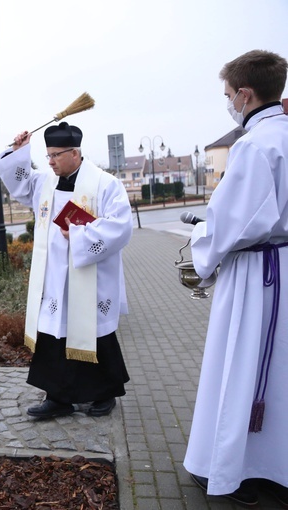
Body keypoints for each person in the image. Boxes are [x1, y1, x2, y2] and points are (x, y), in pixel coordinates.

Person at [183, 49, 288, 507]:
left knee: (237, 366)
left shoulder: (254, 145)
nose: (228, 103)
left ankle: (222, 470)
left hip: (254, 276)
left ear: (245, 94)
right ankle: (275, 468)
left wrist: (203, 245)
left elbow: (231, 224)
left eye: (229, 95)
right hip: (283, 267)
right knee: (278, 373)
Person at [0, 122, 132, 420]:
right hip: (54, 275)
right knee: (54, 335)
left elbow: (121, 227)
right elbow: (19, 183)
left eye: (56, 155)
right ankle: (58, 398)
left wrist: (81, 236)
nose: (51, 161)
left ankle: (104, 394)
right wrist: (19, 153)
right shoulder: (45, 182)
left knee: (93, 333)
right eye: (48, 155)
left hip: (89, 274)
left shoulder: (105, 184)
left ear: (75, 153)